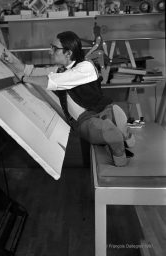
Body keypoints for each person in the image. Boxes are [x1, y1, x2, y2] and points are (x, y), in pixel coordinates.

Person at [19, 31, 135, 166]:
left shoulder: (86, 67)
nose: (50, 51)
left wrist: (24, 79)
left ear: (68, 53)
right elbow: (32, 71)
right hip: (85, 120)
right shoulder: (61, 70)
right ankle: (121, 140)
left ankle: (123, 143)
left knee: (115, 114)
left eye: (55, 48)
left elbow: (50, 81)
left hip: (102, 109)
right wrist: (13, 63)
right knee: (108, 130)